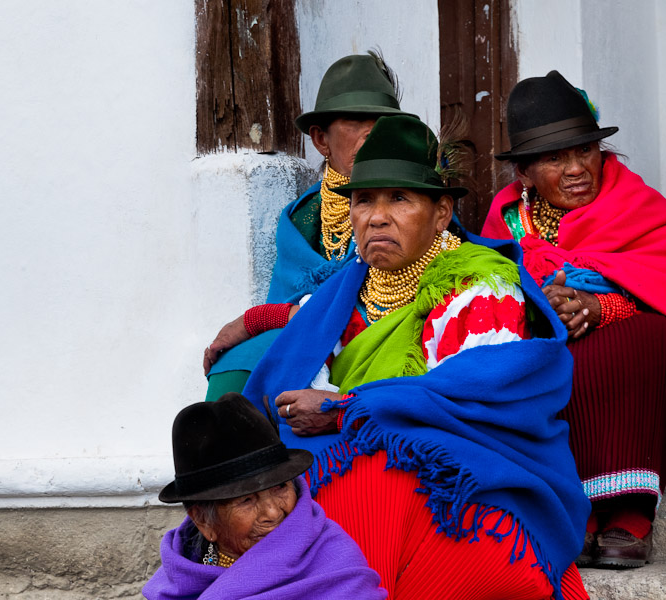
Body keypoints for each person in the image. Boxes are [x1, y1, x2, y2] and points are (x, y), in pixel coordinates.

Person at [241, 115, 590, 600]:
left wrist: (344, 407)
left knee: (374, 479)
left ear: (442, 213)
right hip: (363, 455)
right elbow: (289, 354)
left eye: (399, 199)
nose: (376, 217)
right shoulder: (344, 291)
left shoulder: (481, 286)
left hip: (471, 475)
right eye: (364, 200)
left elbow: (470, 400)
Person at [481, 70, 666, 569]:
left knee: (648, 337)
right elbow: (488, 290)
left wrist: (605, 306)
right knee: (528, 357)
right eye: (553, 158)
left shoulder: (638, 206)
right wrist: (543, 309)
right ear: (523, 173)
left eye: (584, 151)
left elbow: (660, 273)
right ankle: (572, 510)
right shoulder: (505, 221)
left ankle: (630, 512)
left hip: (628, 345)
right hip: (546, 341)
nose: (576, 169)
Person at [204, 52, 414, 401]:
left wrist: (255, 320)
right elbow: (289, 304)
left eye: (381, 121)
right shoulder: (302, 217)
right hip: (308, 334)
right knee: (238, 363)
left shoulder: (419, 201)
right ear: (320, 140)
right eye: (355, 121)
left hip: (385, 336)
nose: (371, 134)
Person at [144, 392, 387, 600]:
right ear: (203, 521)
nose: (273, 512)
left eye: (280, 487)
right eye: (246, 500)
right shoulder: (181, 573)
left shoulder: (332, 560)